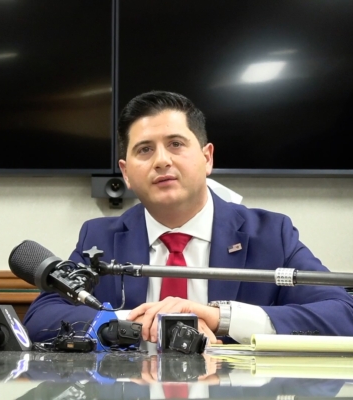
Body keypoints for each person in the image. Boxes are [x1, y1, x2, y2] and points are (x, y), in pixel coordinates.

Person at [24, 90, 353, 345]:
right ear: (126, 173)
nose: (161, 161)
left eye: (176, 144)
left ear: (207, 158)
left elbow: (341, 315)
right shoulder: (101, 237)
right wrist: (127, 324)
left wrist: (219, 318)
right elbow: (41, 318)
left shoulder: (269, 234)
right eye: (144, 149)